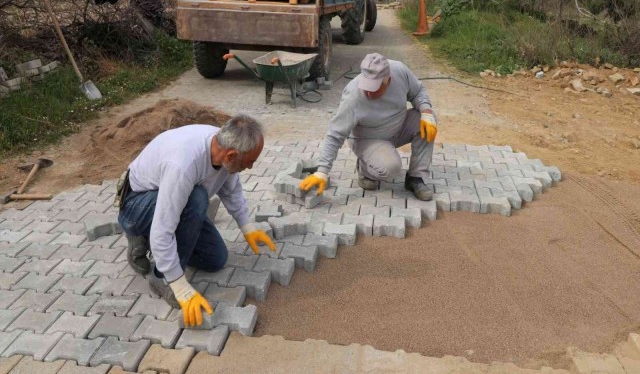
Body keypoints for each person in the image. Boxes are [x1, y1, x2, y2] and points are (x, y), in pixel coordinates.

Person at [116, 115, 275, 327]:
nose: (251, 167)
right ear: (231, 155)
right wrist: (178, 283)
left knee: (216, 259)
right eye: (250, 162)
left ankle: (155, 246)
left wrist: (246, 226)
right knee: (197, 198)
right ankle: (160, 276)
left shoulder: (224, 148)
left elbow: (232, 189)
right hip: (136, 205)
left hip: (170, 201)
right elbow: (163, 231)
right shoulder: (183, 165)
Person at [300, 53, 437, 200]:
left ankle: (415, 178)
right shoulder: (353, 96)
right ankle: (365, 168)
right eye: (367, 86)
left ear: (388, 80)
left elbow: (418, 92)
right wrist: (322, 172)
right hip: (368, 139)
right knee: (391, 168)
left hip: (399, 126)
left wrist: (426, 112)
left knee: (428, 122)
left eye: (375, 88)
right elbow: (335, 134)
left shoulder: (399, 71)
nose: (369, 92)